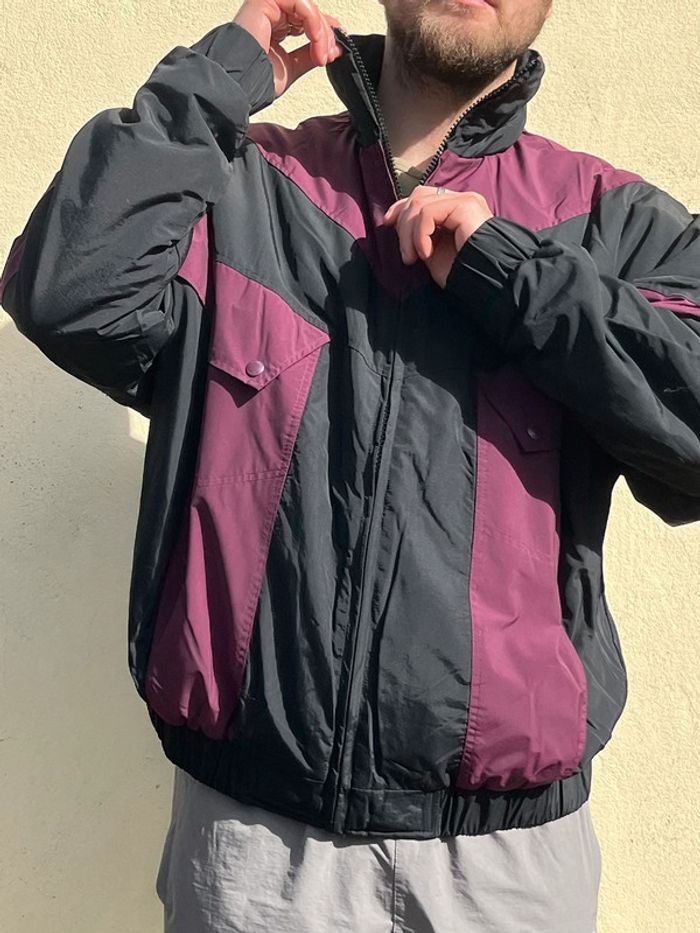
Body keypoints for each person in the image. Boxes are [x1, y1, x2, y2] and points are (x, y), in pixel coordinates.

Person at [2, 0, 699, 930]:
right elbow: (66, 289)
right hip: (252, 859)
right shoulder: (243, 184)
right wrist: (217, 78)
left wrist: (512, 273)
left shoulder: (613, 222)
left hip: (505, 871)